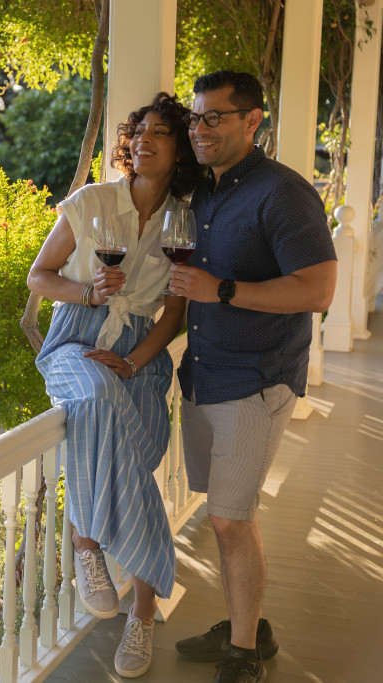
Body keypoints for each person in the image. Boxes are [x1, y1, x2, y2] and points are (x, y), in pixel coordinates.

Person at [168, 70, 337, 683]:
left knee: (230, 519)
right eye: (196, 117)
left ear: (252, 120)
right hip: (204, 375)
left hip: (257, 378)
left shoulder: (283, 193)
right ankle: (252, 626)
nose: (201, 128)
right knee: (227, 514)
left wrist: (224, 291)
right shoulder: (205, 192)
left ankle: (244, 654)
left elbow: (318, 289)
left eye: (215, 116)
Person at [27, 92, 203, 678]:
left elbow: (174, 313)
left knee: (133, 462)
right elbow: (40, 276)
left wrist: (133, 363)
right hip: (77, 336)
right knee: (96, 397)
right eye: (138, 131)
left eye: (160, 132)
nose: (143, 140)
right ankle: (88, 549)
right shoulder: (93, 202)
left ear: (179, 149)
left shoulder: (183, 219)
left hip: (143, 351)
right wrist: (87, 293)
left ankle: (142, 618)